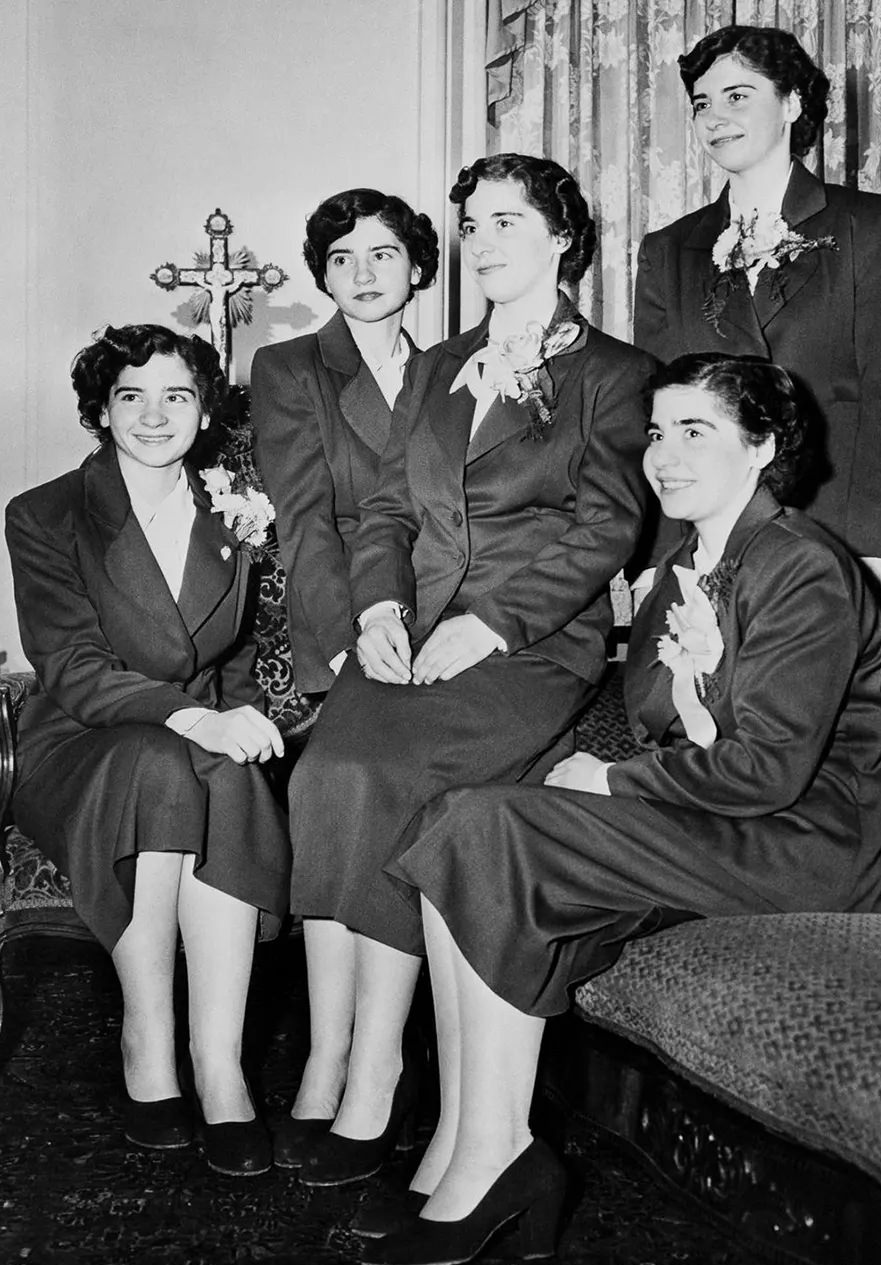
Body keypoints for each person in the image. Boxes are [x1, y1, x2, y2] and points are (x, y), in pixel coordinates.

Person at [360, 353, 881, 1265]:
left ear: (763, 446)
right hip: (727, 822)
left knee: (495, 827)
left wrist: (609, 782)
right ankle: (465, 1136)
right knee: (462, 817)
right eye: (657, 433)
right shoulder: (681, 565)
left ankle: (495, 1156)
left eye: (698, 432)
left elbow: (769, 769)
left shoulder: (804, 567)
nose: (665, 456)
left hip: (808, 845)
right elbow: (659, 723)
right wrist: (680, 698)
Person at [278, 153, 656, 1184]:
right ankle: (350, 1058)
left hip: (528, 643)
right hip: (412, 627)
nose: (484, 245)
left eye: (505, 223)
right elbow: (390, 511)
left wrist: (487, 624)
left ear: (562, 238)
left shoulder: (614, 373)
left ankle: (373, 1081)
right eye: (473, 227)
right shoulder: (440, 365)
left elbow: (606, 525)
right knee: (325, 774)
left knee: (392, 779)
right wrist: (379, 604)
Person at [5, 324, 291, 1177]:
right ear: (101, 409)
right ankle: (148, 1040)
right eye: (132, 395)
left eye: (178, 395)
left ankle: (220, 1064)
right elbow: (74, 667)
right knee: (168, 761)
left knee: (225, 776)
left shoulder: (234, 509)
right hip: (78, 743)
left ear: (204, 412)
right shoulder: (46, 513)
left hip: (189, 732)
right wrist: (196, 720)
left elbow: (232, 655)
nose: (155, 414)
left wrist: (236, 721)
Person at [632, 24, 881, 593]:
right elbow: (656, 421)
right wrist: (657, 560)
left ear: (792, 103)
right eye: (701, 104)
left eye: (737, 96)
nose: (714, 118)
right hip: (710, 545)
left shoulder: (867, 224)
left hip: (837, 537)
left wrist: (876, 551)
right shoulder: (667, 250)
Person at [250, 188, 439, 696]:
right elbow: (304, 520)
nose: (362, 275)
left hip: (447, 608)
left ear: (416, 269)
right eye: (342, 259)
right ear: (325, 278)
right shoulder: (288, 368)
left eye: (382, 254)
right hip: (347, 617)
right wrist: (346, 644)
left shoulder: (449, 374)